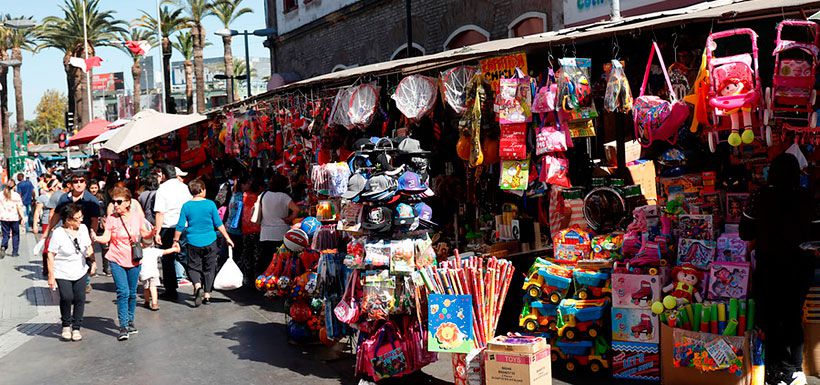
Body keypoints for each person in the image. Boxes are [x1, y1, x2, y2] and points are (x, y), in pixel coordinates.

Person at [741, 153, 816, 385]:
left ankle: (771, 371)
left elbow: (745, 232)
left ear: (770, 172)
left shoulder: (759, 197)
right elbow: (817, 236)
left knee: (769, 317)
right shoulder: (808, 199)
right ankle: (794, 370)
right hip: (799, 267)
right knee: (792, 316)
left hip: (769, 266)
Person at [92, 186, 151, 341]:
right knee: (123, 292)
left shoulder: (137, 216)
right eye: (113, 202)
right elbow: (106, 237)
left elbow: (145, 234)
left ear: (128, 202)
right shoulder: (112, 218)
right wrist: (96, 238)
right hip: (116, 258)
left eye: (119, 202)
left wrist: (153, 232)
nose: (115, 205)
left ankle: (130, 321)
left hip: (133, 259)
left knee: (132, 292)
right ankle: (123, 326)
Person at [174, 179, 234, 306]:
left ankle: (197, 286)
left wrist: (175, 240)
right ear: (201, 190)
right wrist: (227, 238)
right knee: (209, 267)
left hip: (192, 241)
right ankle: (207, 294)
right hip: (210, 240)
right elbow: (218, 224)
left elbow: (180, 225)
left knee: (193, 267)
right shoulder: (210, 204)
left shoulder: (186, 206)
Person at [46, 204, 95, 341]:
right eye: (77, 218)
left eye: (81, 216)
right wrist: (51, 275)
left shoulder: (83, 229)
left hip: (80, 270)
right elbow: (51, 254)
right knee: (67, 297)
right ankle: (66, 325)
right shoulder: (58, 233)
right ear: (68, 220)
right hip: (62, 271)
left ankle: (76, 327)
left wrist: (93, 260)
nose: (81, 219)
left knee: (80, 298)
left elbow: (88, 246)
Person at [152, 165, 192, 301]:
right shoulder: (183, 187)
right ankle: (198, 282)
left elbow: (159, 212)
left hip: (168, 227)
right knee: (185, 256)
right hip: (183, 226)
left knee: (167, 259)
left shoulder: (162, 189)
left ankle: (171, 289)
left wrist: (157, 232)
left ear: (163, 175)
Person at [257, 174, 299, 276]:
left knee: (267, 261)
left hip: (265, 233)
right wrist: (289, 219)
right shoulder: (284, 197)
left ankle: (265, 283)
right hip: (281, 233)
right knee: (280, 263)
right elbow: (296, 210)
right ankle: (278, 283)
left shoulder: (263, 195)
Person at [139, 235, 180, 311]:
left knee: (146, 288)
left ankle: (147, 302)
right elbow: (165, 251)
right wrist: (174, 249)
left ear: (141, 244)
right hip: (154, 273)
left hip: (144, 273)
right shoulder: (155, 251)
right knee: (153, 288)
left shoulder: (140, 252)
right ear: (152, 243)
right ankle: (155, 303)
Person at [0, 179, 25, 257]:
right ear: (14, 186)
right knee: (15, 234)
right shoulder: (16, 195)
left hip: (3, 217)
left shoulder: (1, 194)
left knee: (5, 234)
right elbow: (19, 207)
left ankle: (3, 246)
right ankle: (15, 252)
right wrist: (23, 217)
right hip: (14, 217)